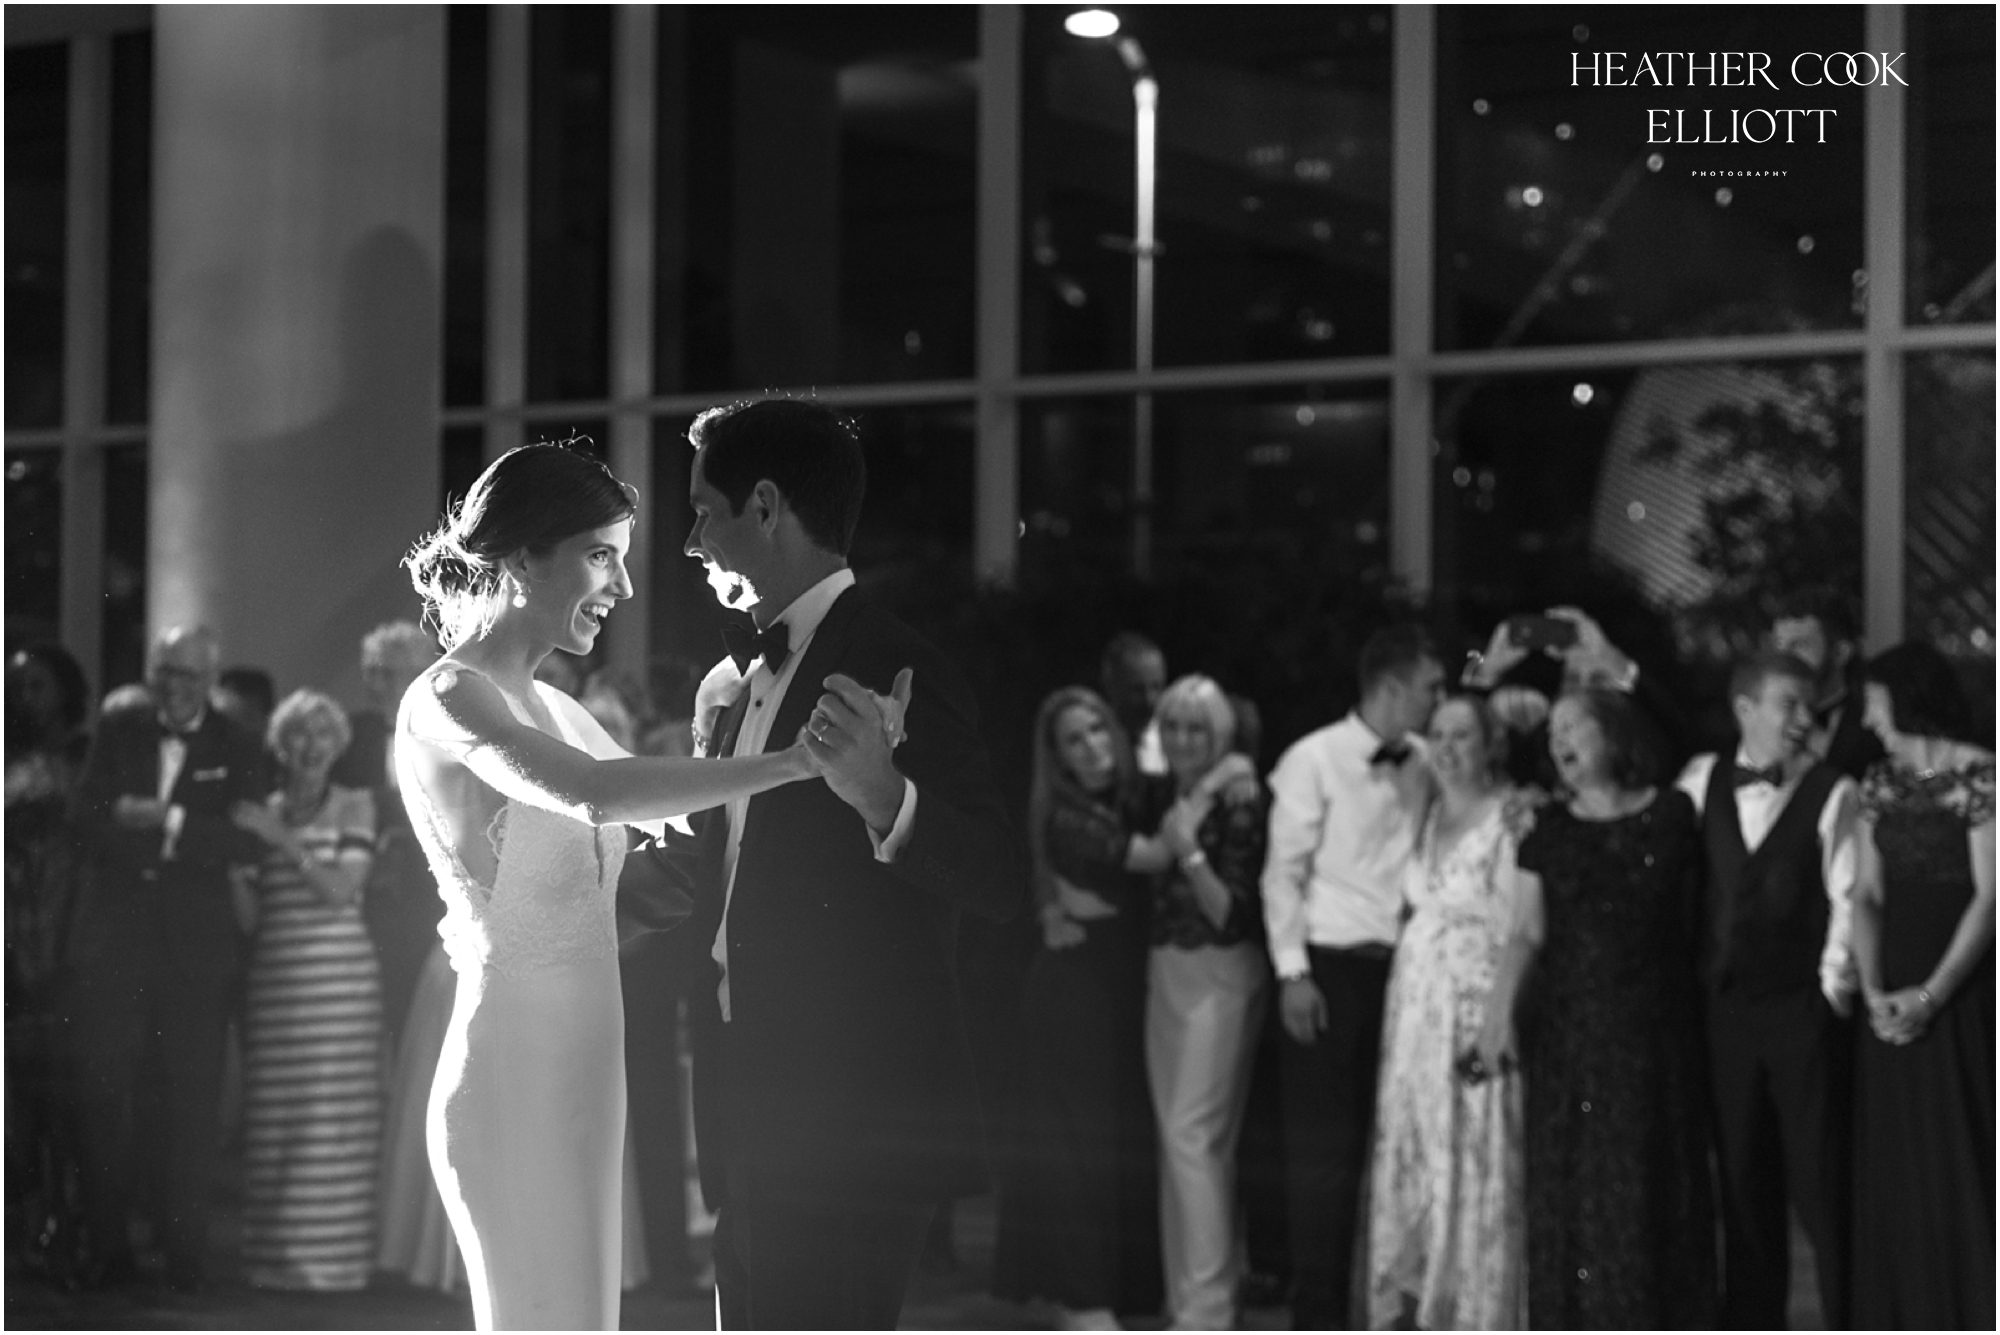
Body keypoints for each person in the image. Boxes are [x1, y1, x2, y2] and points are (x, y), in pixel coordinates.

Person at [396, 440, 819, 1331]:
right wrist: (794, 761)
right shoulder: (448, 696)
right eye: (601, 556)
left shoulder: (561, 711)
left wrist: (726, 729)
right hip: (511, 1073)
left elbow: (674, 824)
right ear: (520, 557)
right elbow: (596, 794)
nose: (623, 588)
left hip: (591, 1072)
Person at [620, 397, 1023, 1330]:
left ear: (765, 508)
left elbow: (1000, 876)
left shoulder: (900, 662)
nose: (687, 543)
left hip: (849, 1113)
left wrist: (884, 795)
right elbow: (731, 860)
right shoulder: (728, 688)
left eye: (702, 511)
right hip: (739, 1085)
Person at [1478, 686, 1716, 1326]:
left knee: (1649, 1179)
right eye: (1554, 731)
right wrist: (1497, 1016)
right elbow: (1527, 932)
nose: (1561, 741)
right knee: (1577, 1186)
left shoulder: (1673, 815)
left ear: (1616, 734)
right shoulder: (1546, 828)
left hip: (1654, 1035)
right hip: (1570, 1034)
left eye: (1576, 727)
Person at [63, 625, 266, 1291]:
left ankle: (186, 1256)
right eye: (162, 671)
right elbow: (84, 817)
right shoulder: (120, 729)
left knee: (191, 1104)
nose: (171, 685)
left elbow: (246, 838)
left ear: (209, 680)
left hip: (194, 952)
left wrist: (167, 823)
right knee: (103, 1097)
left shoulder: (236, 742)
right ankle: (108, 1249)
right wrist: (134, 828)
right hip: (114, 943)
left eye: (184, 674)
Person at [1260, 623, 1443, 1329]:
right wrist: (1292, 971)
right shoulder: (1312, 758)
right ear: (1392, 687)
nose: (1439, 697)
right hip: (1329, 968)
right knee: (1322, 1158)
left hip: (1406, 972)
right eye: (1431, 685)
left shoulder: (1427, 758)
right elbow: (1282, 873)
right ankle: (1318, 1315)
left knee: (1401, 1150)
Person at [1677, 651, 1859, 1329]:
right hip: (1724, 1011)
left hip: (1799, 1013)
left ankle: (1845, 1316)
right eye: (1789, 703)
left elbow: (1846, 898)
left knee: (1820, 1184)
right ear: (1745, 708)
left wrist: (1828, 996)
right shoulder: (1700, 781)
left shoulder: (1834, 789)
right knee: (1742, 1184)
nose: (1804, 719)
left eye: (1809, 706)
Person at [994, 687, 1170, 1330]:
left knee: (1112, 1142)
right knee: (1079, 1150)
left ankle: (1102, 1297)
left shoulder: (1126, 797)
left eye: (1098, 729)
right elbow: (1157, 855)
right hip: (1074, 997)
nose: (1093, 746)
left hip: (1113, 988)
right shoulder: (1071, 815)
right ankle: (1084, 1302)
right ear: (1058, 758)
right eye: (1075, 739)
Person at [1368, 694, 1525, 1330]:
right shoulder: (1425, 813)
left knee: (1471, 1153)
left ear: (1491, 745)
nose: (1449, 748)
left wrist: (1497, 1018)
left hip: (1472, 1008)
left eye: (1464, 735)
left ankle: (1470, 1307)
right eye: (1440, 735)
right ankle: (1413, 1299)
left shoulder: (1510, 818)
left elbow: (1521, 928)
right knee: (1418, 1148)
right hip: (1413, 1016)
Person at [1848, 642, 1994, 1328]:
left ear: (1907, 696)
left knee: (1964, 1141)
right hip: (1892, 986)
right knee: (1898, 1156)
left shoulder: (1981, 777)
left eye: (1876, 699)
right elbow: (1867, 893)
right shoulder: (1878, 782)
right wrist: (1875, 988)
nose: (1869, 717)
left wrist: (1933, 993)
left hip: (1963, 988)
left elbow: (1991, 899)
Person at [230, 688, 384, 1290]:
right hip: (277, 984)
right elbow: (249, 918)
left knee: (331, 1124)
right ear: (280, 746)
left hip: (340, 988)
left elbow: (342, 890)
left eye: (322, 736)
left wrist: (279, 840)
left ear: (338, 745)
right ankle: (274, 1266)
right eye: (297, 736)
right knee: (277, 1124)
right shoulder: (261, 811)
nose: (310, 747)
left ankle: (332, 1268)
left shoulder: (355, 805)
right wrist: (234, 869)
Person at [1141, 674, 1270, 1331]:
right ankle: (1187, 1299)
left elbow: (1231, 914)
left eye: (1198, 727)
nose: (1184, 739)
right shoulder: (1176, 788)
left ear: (1221, 733)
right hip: (1169, 972)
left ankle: (1210, 1309)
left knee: (1194, 1140)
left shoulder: (1240, 796)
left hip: (1219, 974)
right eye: (1174, 726)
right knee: (1181, 1142)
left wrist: (1188, 850)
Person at [5, 644, 94, 1280]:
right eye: (17, 685)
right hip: (14, 942)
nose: (25, 696)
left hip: (70, 941)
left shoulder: (84, 758)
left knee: (71, 1112)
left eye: (37, 684)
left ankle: (67, 1233)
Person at [330, 619, 440, 1060]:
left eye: (387, 672)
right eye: (370, 671)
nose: (374, 684)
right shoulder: (349, 735)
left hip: (433, 896)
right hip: (368, 899)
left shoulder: (450, 732)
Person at [1769, 586, 1885, 780]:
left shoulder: (1876, 728)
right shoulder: (1757, 719)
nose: (1784, 659)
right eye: (1779, 645)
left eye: (1799, 646)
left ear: (1840, 653)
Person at [1102, 632, 1169, 777]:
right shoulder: (1093, 745)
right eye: (1137, 690)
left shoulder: (1177, 742)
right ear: (1111, 686)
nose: (1150, 700)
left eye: (1157, 687)